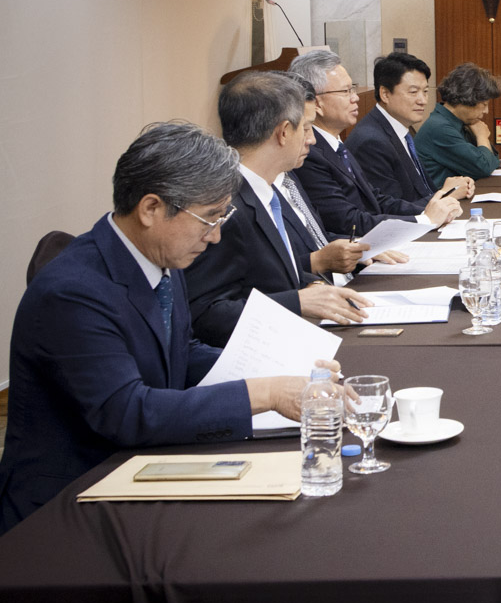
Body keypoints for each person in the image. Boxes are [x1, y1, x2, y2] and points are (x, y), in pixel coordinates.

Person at [0, 123, 334, 533]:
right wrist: (264, 393)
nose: (215, 238)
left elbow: (180, 351)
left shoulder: (159, 256)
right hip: (67, 505)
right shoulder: (72, 292)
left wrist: (282, 370)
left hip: (138, 469)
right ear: (151, 209)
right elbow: (127, 411)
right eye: (209, 218)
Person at [184, 71, 372, 345]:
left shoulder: (267, 191)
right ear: (284, 132)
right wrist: (297, 301)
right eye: (306, 128)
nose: (312, 140)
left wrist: (312, 284)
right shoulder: (225, 207)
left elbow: (269, 274)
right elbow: (205, 314)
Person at [289, 49, 462, 238]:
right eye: (346, 91)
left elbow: (376, 199)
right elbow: (346, 220)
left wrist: (432, 209)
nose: (355, 97)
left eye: (353, 88)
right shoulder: (309, 153)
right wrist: (425, 220)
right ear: (317, 103)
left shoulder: (336, 144)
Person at [345, 52, 474, 208]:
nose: (423, 100)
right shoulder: (371, 141)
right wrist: (446, 194)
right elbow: (389, 209)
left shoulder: (401, 129)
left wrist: (453, 187)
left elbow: (421, 192)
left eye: (425, 91)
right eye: (413, 92)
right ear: (385, 94)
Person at [414, 61, 501, 188]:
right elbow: (484, 167)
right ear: (468, 99)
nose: (486, 111)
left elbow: (493, 159)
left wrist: (483, 146)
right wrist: (482, 137)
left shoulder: (457, 122)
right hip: (441, 201)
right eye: (484, 104)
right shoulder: (440, 128)